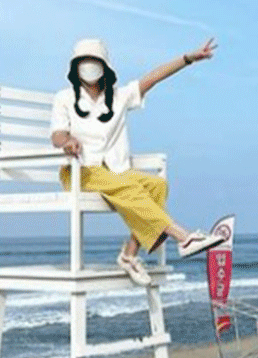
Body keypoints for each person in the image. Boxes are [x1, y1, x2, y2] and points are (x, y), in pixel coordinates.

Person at [49, 37, 226, 286]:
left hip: (116, 170)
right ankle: (183, 237)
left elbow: (153, 77)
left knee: (157, 186)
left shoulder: (120, 97)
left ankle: (129, 255)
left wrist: (188, 59)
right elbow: (57, 134)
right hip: (81, 171)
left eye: (93, 61)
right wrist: (67, 141)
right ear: (75, 68)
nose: (88, 66)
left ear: (104, 67)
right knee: (130, 188)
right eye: (83, 62)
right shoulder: (64, 98)